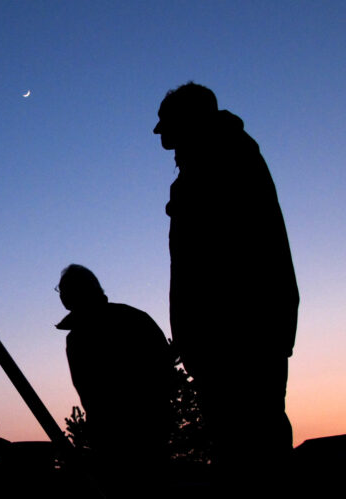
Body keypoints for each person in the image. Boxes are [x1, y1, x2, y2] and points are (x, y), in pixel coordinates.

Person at [154, 82, 299, 491]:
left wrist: (193, 331)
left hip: (236, 333)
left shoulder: (219, 162)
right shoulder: (218, 158)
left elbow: (214, 262)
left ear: (189, 122)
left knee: (251, 444)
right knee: (245, 441)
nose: (162, 137)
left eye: (167, 126)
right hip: (234, 332)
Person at [55, 264, 174, 497]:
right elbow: (165, 368)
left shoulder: (79, 337)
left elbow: (91, 391)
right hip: (149, 431)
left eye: (64, 291)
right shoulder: (136, 318)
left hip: (118, 437)